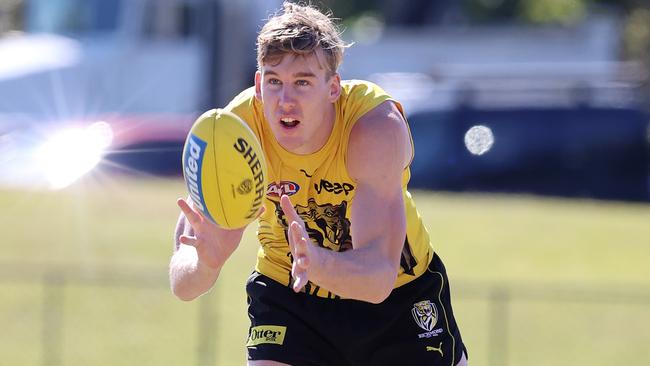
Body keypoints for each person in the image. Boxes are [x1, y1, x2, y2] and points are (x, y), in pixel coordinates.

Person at [170, 2, 468, 365]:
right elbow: (184, 286)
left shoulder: (374, 127)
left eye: (303, 82)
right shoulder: (233, 131)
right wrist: (203, 262)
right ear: (259, 84)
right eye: (275, 82)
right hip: (289, 292)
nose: (286, 101)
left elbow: (377, 280)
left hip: (398, 299)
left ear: (333, 88)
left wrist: (318, 262)